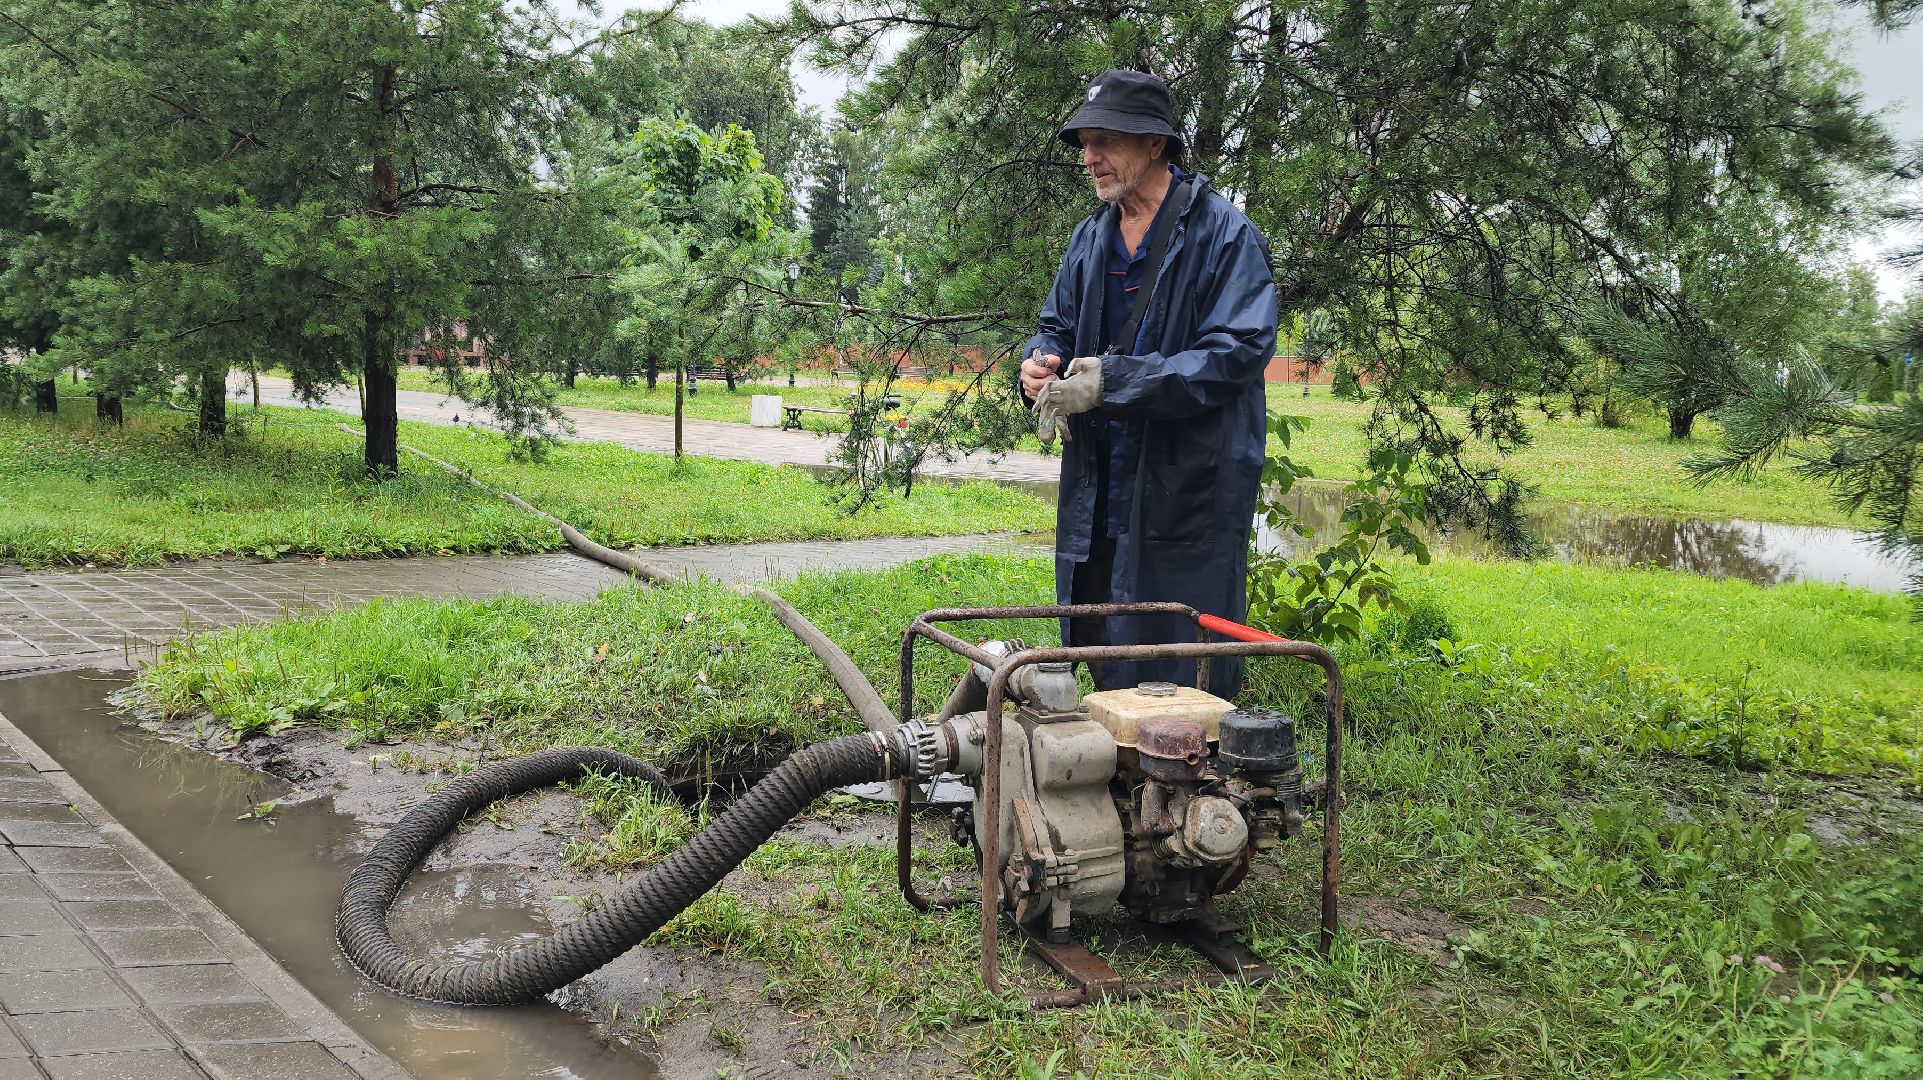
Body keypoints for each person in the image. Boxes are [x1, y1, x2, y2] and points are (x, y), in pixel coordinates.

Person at [1020, 69, 1278, 700]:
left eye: (1107, 139)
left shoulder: (1224, 235)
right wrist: (1041, 361)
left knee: (1180, 660)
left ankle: (1184, 784)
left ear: (1156, 145)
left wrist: (1116, 381)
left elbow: (1236, 352)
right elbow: (1054, 324)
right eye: (1085, 142)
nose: (1091, 157)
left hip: (1184, 489)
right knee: (1101, 636)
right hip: (1098, 486)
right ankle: (1112, 780)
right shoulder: (1090, 239)